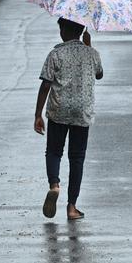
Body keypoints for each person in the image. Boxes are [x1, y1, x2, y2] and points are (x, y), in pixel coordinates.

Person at [34, 18, 103, 221]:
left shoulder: (56, 53)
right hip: (82, 112)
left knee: (54, 151)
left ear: (63, 30)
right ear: (82, 31)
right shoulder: (92, 54)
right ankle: (72, 207)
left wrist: (38, 114)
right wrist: (89, 47)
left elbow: (46, 84)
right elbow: (99, 74)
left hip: (59, 109)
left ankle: (54, 185)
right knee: (77, 157)